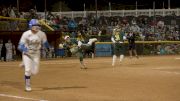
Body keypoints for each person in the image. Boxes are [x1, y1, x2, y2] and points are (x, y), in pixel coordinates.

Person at [18, 19, 50, 92]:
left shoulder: (42, 34)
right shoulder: (26, 34)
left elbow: (45, 43)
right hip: (27, 54)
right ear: (31, 26)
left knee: (35, 72)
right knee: (28, 70)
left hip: (36, 54)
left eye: (38, 25)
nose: (37, 27)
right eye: (35, 25)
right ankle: (27, 85)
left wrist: (48, 47)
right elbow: (20, 46)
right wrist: (26, 50)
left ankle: (24, 64)